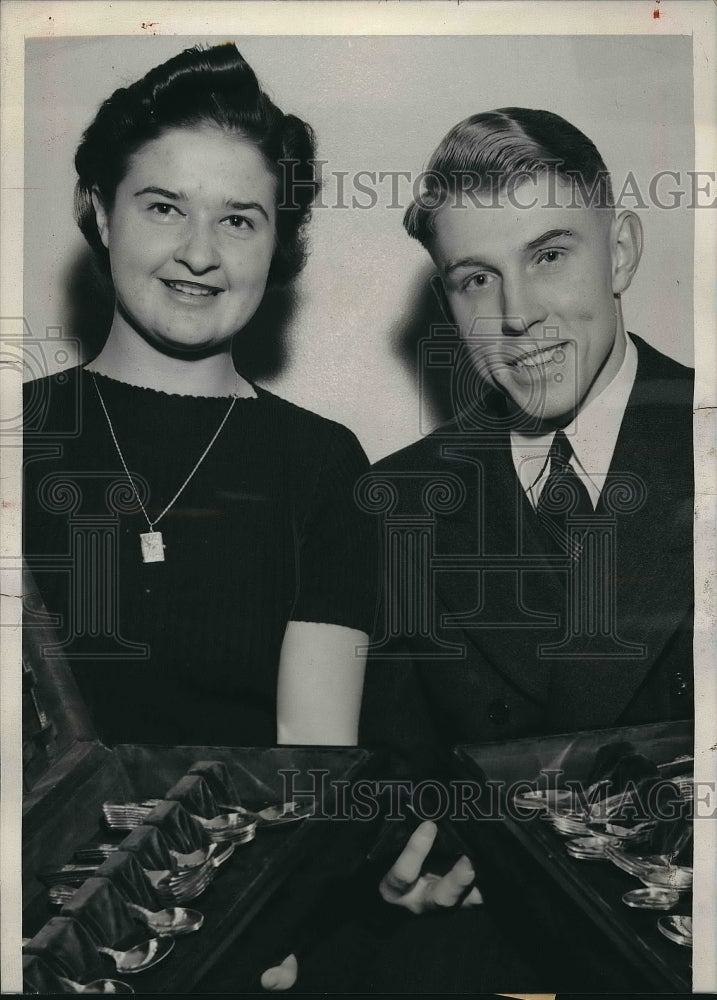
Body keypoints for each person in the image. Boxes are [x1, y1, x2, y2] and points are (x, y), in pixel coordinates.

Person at [262, 107, 695, 993]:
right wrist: (396, 856)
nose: (517, 314)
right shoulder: (397, 501)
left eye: (548, 255)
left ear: (618, 253)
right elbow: (383, 775)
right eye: (473, 278)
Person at [22, 43, 377, 750]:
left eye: (239, 219)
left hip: (252, 854)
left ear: (277, 244)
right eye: (164, 208)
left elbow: (312, 757)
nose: (199, 253)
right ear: (101, 213)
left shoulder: (323, 465)